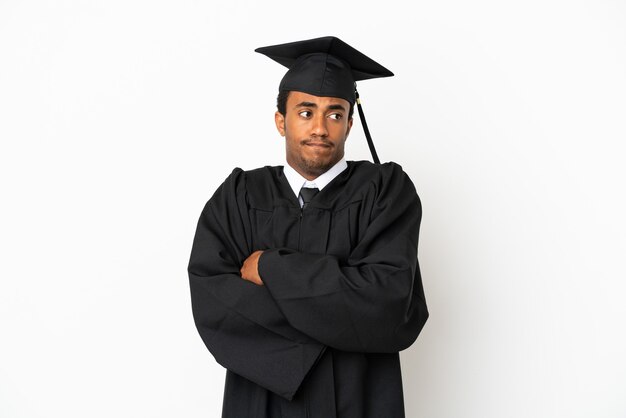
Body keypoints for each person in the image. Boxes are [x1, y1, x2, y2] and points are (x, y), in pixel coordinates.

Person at [188, 36, 429, 418]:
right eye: (305, 112)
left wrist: (270, 267)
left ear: (350, 123)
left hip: (359, 400)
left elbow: (387, 301)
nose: (320, 127)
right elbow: (215, 304)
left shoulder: (385, 193)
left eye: (334, 114)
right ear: (281, 121)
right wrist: (339, 309)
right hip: (262, 401)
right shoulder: (238, 196)